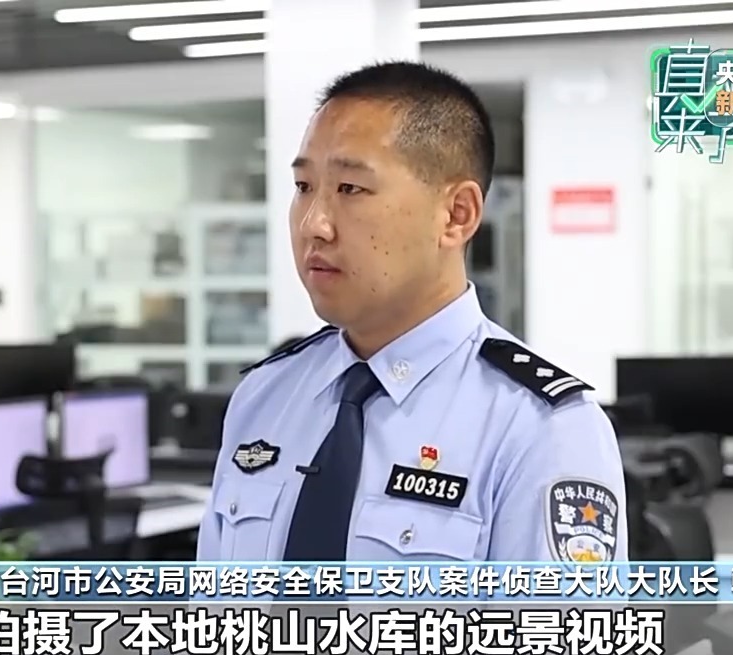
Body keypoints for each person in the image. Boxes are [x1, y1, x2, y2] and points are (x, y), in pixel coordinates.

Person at [197, 61, 625, 564]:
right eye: (304, 187)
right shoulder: (264, 398)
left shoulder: (541, 430)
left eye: (350, 189)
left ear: (456, 215)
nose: (314, 224)